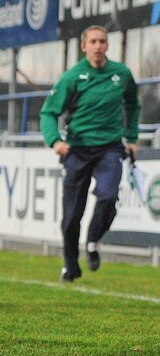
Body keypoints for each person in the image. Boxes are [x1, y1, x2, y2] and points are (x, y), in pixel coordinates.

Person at [39, 25, 140, 282]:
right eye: (93, 41)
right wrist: (55, 141)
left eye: (102, 41)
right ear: (84, 46)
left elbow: (133, 104)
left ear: (108, 45)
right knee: (72, 216)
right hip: (77, 150)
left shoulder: (122, 74)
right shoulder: (72, 77)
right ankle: (70, 265)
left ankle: (93, 241)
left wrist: (132, 137)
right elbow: (48, 113)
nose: (98, 46)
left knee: (108, 197)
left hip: (109, 148)